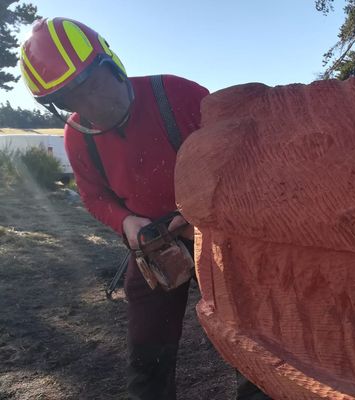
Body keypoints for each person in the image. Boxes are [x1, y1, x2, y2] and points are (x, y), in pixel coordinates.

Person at [20, 17, 270, 400]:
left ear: (113, 64)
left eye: (91, 86)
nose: (91, 106)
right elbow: (94, 196)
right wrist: (127, 223)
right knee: (146, 358)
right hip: (152, 245)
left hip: (218, 239)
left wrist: (197, 214)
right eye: (71, 99)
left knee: (251, 345)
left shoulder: (177, 94)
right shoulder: (77, 137)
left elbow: (240, 161)